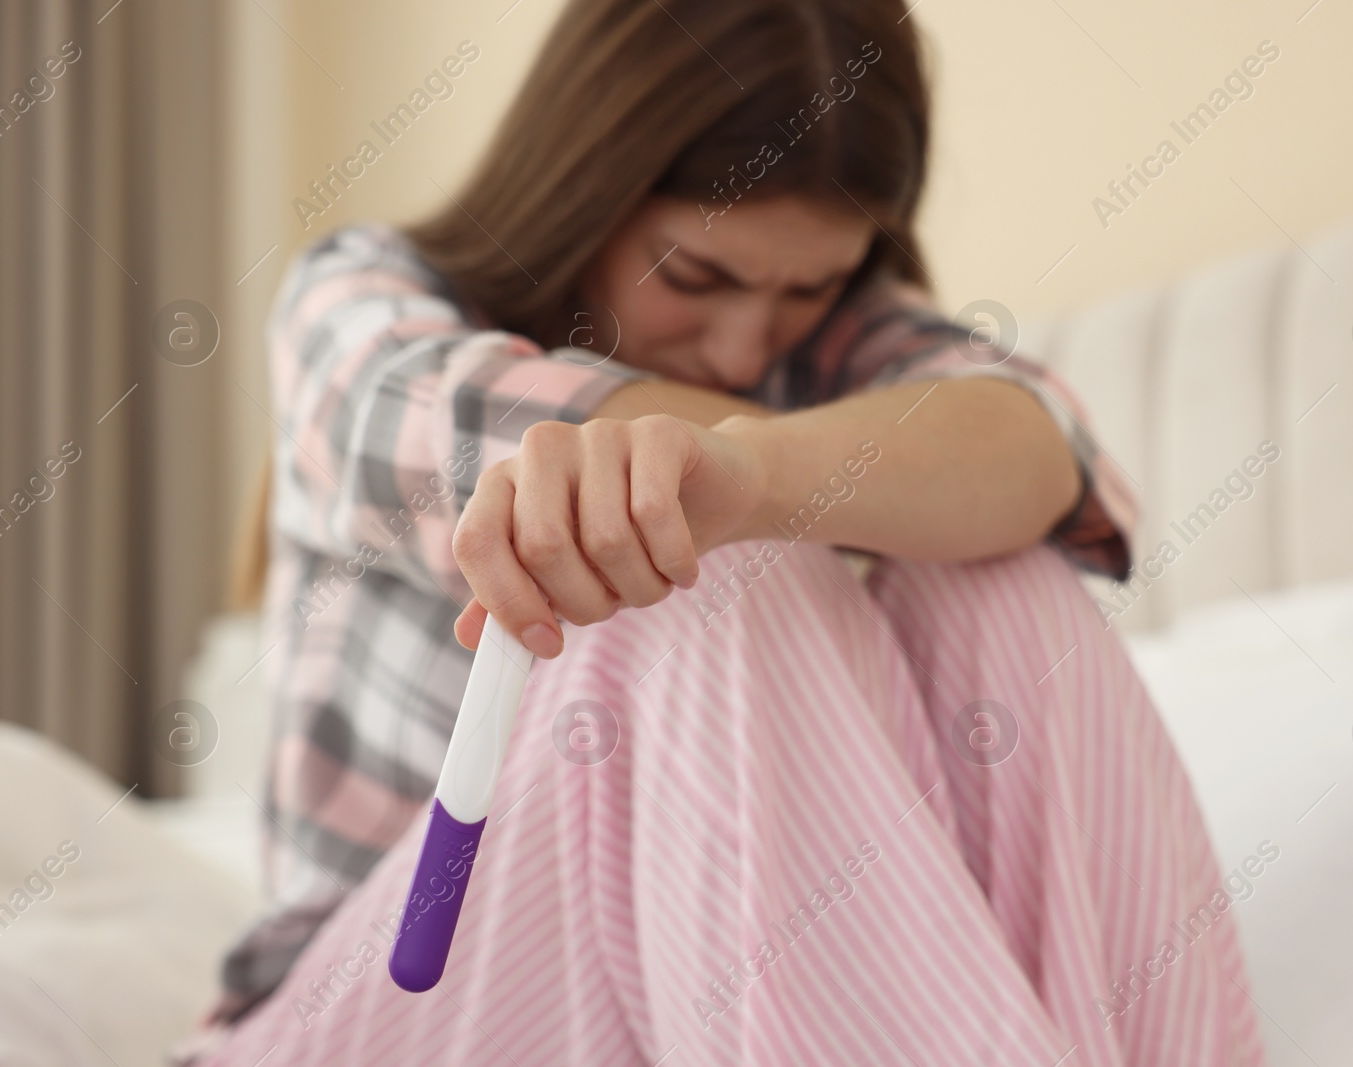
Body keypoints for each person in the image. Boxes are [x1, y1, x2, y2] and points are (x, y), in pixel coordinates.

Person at [184, 0, 1266, 1062]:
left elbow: (1041, 454)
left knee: (994, 576)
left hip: (664, 1003)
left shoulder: (842, 347)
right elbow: (598, 474)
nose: (747, 343)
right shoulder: (363, 300)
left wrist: (755, 469)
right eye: (696, 274)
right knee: (693, 561)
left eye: (811, 287)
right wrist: (755, 490)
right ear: (584, 193)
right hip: (384, 987)